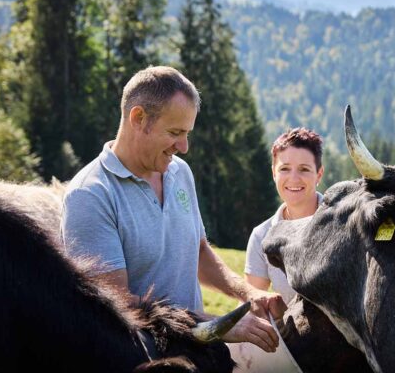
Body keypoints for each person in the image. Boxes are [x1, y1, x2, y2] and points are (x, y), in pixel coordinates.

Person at [61, 66, 285, 353]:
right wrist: (215, 324)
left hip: (197, 352)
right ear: (138, 118)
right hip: (140, 360)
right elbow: (115, 303)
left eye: (187, 133)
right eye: (175, 132)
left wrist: (248, 293)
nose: (184, 146)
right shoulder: (90, 195)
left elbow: (199, 251)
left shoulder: (179, 172)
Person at [245, 127, 324, 303]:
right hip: (288, 330)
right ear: (274, 173)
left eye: (304, 169)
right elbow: (252, 304)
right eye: (285, 169)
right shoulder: (261, 236)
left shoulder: (344, 224)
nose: (293, 178)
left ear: (319, 174)